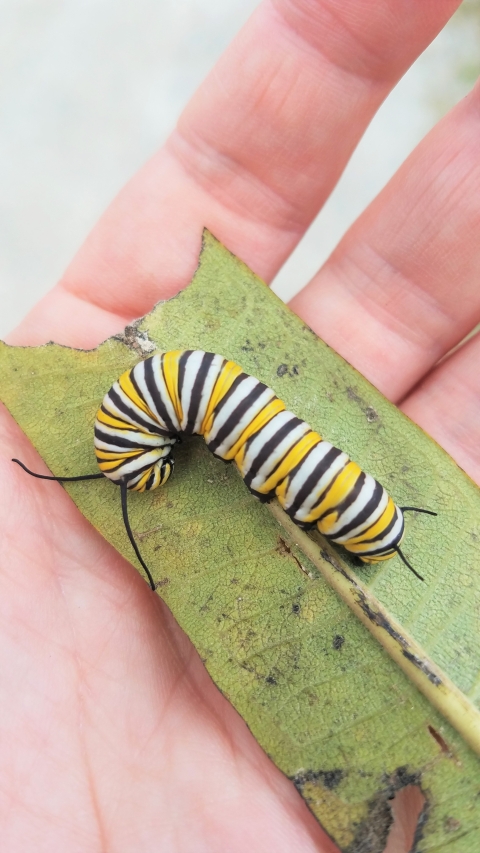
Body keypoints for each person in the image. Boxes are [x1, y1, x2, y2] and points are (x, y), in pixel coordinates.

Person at [0, 2, 476, 851]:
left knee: (298, 467)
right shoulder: (187, 401)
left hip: (344, 501)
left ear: (157, 430)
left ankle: (364, 518)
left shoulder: (180, 416)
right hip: (329, 488)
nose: (151, 472)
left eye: (139, 460)